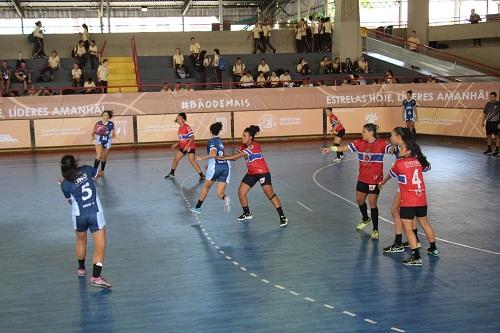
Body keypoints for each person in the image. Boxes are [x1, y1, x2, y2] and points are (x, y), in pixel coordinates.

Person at [321, 123, 391, 240]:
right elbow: (343, 148)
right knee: (359, 200)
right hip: (362, 179)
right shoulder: (359, 143)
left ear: (370, 132)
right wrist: (330, 149)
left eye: (363, 131)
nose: (361, 133)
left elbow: (391, 149)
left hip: (375, 180)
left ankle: (375, 229)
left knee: (372, 203)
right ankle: (365, 219)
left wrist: (397, 148)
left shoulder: (382, 144)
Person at [379, 141, 439, 266]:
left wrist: (383, 181)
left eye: (401, 148)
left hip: (408, 200)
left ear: (408, 151)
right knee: (424, 223)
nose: (399, 149)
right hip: (421, 198)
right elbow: (428, 167)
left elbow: (390, 174)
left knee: (408, 229)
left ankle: (416, 257)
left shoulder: (399, 163)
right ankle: (433, 248)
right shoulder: (419, 162)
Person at [57, 155, 111, 288]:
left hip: (78, 215)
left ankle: (81, 269)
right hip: (94, 213)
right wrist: (99, 173)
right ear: (75, 163)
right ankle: (96, 277)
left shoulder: (64, 184)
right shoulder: (87, 170)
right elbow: (99, 174)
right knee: (100, 246)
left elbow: (71, 202)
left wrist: (62, 185)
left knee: (81, 241)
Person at [217, 125, 288, 227]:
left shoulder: (253, 146)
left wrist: (225, 158)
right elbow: (234, 158)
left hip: (262, 172)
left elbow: (237, 156)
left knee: (270, 194)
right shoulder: (243, 146)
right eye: (242, 136)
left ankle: (282, 217)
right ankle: (247, 213)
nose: (242, 138)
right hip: (252, 173)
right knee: (241, 192)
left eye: (245, 136)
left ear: (250, 137)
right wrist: (222, 157)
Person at [382, 127, 421, 254]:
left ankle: (398, 243)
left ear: (399, 137)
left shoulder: (405, 149)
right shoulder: (401, 148)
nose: (390, 138)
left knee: (394, 211)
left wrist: (385, 179)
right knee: (409, 215)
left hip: (407, 186)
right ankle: (416, 240)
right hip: (407, 184)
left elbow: (418, 164)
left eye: (392, 135)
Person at [190, 122, 231, 214]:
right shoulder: (220, 141)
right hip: (226, 167)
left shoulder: (211, 141)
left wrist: (202, 158)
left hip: (216, 167)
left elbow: (213, 154)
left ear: (210, 131)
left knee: (206, 187)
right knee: (220, 193)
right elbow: (221, 155)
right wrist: (209, 164)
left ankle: (197, 208)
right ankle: (225, 197)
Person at [165, 113, 206, 182]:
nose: (178, 119)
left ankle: (202, 176)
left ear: (183, 119)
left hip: (190, 146)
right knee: (176, 159)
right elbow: (182, 139)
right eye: (177, 118)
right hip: (182, 146)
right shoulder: (180, 128)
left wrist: (187, 146)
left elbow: (192, 137)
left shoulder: (187, 127)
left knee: (191, 160)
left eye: (179, 118)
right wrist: (177, 144)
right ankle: (172, 173)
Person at [92, 110, 115, 178]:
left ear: (109, 117)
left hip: (107, 141)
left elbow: (113, 132)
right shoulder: (98, 123)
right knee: (99, 156)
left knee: (103, 158)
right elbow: (94, 132)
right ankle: (94, 172)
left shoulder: (111, 124)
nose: (105, 116)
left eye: (107, 115)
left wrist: (111, 134)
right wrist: (97, 133)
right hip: (99, 141)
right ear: (102, 116)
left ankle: (102, 171)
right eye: (104, 115)